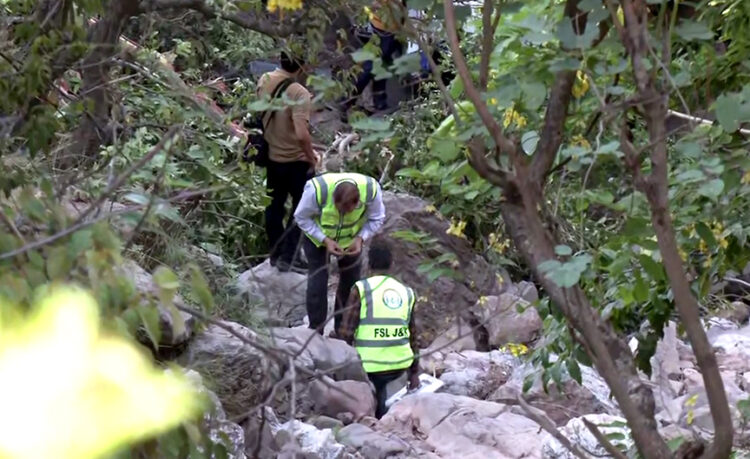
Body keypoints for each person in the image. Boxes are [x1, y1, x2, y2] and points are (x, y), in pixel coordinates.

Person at [293, 172, 385, 333]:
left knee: (351, 281)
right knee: (318, 278)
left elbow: (377, 218)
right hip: (317, 238)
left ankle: (342, 329)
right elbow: (301, 217)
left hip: (351, 240)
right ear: (334, 199)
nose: (343, 213)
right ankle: (316, 328)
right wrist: (324, 240)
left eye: (348, 210)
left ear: (358, 203)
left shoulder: (371, 191)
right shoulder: (316, 191)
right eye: (340, 209)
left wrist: (360, 239)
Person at [338, 238, 419, 418]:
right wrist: (414, 374)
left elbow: (346, 334)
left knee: (372, 412)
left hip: (368, 368)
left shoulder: (361, 289)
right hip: (399, 367)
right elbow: (413, 336)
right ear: (392, 265)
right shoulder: (406, 292)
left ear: (369, 263)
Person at [257, 52, 319, 272]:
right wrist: (312, 158)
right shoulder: (298, 92)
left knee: (274, 208)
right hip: (296, 161)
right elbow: (302, 134)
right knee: (303, 209)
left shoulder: (265, 79)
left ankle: (276, 253)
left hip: (272, 156)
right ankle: (290, 256)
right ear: (302, 66)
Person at [342, 0, 406, 115]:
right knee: (370, 66)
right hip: (382, 28)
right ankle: (346, 100)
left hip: (392, 27)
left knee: (383, 63)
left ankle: (380, 101)